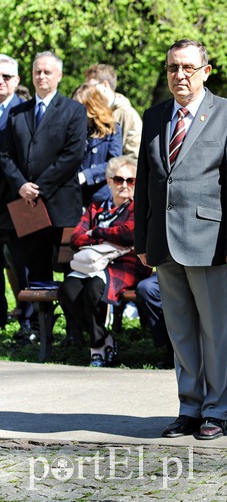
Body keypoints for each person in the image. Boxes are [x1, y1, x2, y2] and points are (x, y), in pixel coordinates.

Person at [134, 39, 227, 441]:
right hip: (163, 239)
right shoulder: (154, 116)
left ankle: (216, 410)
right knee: (181, 331)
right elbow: (145, 182)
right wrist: (142, 239)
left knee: (215, 332)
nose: (179, 75)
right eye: (173, 67)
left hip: (210, 240)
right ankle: (189, 407)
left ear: (206, 71)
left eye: (187, 67)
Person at [0, 51, 86, 340]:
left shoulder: (74, 111)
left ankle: (74, 329)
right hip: (27, 204)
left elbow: (73, 155)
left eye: (48, 71)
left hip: (62, 203)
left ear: (59, 76)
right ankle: (39, 330)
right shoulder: (17, 113)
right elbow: (5, 154)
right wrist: (21, 185)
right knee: (34, 267)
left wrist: (39, 186)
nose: (42, 76)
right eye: (37, 71)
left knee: (71, 268)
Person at [57, 156, 150, 367]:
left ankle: (97, 348)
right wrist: (107, 238)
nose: (124, 185)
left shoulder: (137, 208)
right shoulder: (97, 207)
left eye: (130, 180)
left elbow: (129, 233)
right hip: (94, 263)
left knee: (93, 290)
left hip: (126, 264)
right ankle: (103, 339)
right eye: (118, 180)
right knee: (68, 290)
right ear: (109, 182)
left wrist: (96, 232)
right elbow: (76, 238)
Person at [0, 54, 32, 332]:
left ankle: (29, 321)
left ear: (17, 80)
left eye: (6, 77)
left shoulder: (25, 111)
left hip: (18, 199)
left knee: (22, 262)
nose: (1, 81)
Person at [72, 84, 123, 206]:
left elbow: (113, 163)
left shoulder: (113, 129)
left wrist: (87, 175)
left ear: (92, 106)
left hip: (100, 197)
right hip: (75, 195)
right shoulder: (72, 128)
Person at [84, 63, 143, 158]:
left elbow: (135, 156)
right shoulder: (90, 113)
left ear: (105, 85)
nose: (88, 92)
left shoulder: (127, 114)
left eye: (91, 87)